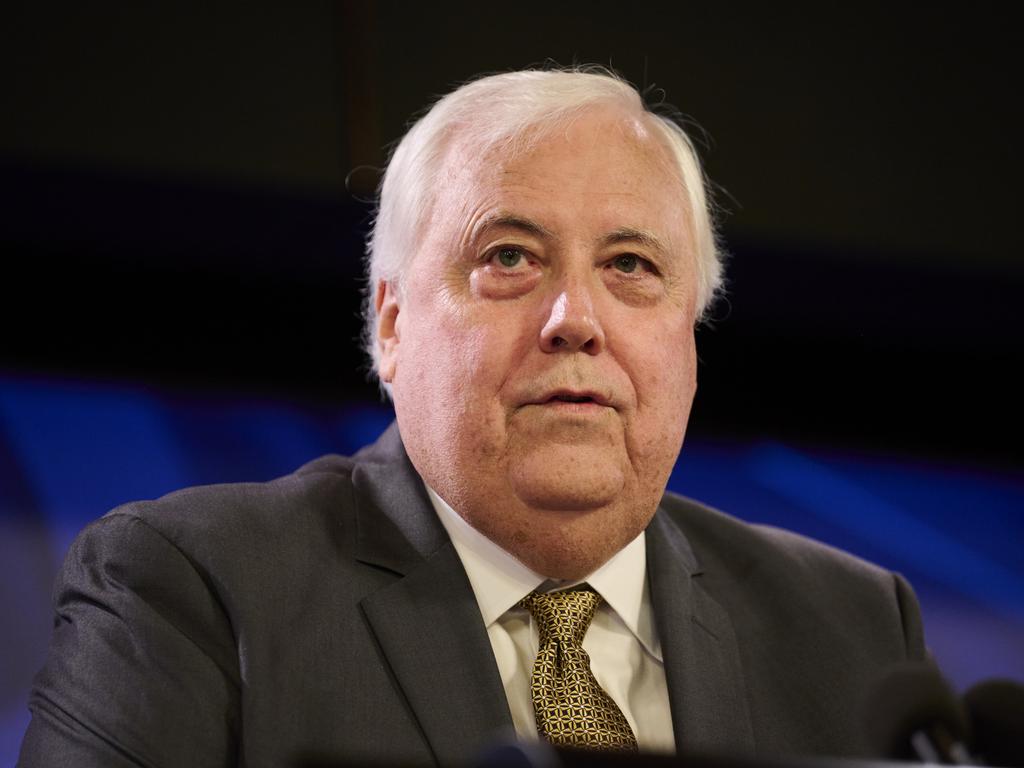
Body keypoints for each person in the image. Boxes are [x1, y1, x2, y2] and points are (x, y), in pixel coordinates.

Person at [19, 68, 925, 767]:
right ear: (392, 324)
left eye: (632, 266)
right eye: (509, 256)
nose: (576, 318)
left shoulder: (850, 628)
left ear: (690, 334)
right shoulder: (192, 591)